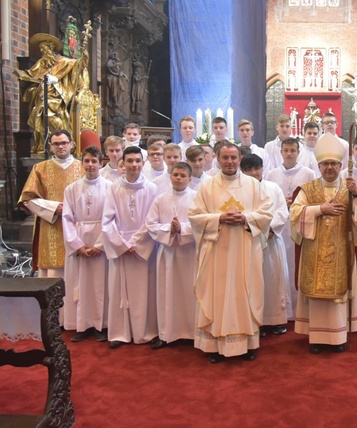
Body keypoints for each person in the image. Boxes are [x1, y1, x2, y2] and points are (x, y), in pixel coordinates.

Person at [189, 142, 273, 363]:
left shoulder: (253, 185)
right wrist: (219, 218)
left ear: (239, 159)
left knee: (246, 293)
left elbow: (266, 212)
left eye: (233, 158)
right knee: (218, 294)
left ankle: (248, 343)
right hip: (217, 251)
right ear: (217, 159)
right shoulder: (207, 187)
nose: (229, 162)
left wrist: (246, 218)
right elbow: (195, 216)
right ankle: (214, 344)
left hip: (246, 250)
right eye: (225, 158)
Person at [290, 133, 357, 353]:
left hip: (340, 252)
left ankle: (338, 338)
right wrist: (319, 210)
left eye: (334, 164)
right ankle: (316, 339)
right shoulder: (308, 189)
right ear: (318, 165)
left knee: (337, 296)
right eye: (325, 164)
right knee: (317, 296)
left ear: (340, 165)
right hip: (314, 251)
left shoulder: (351, 188)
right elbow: (295, 215)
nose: (329, 168)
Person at [100, 146, 160, 348]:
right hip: (120, 247)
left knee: (145, 290)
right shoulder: (113, 189)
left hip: (143, 246)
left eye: (137, 161)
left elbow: (152, 221)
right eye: (130, 161)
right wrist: (121, 245)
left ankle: (146, 331)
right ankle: (119, 333)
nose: (134, 165)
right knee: (118, 290)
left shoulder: (152, 189)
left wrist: (135, 243)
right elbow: (107, 220)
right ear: (123, 163)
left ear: (143, 164)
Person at [18, 130, 84, 281]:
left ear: (71, 144)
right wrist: (54, 208)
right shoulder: (40, 168)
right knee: (52, 274)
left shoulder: (83, 167)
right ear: (50, 146)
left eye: (64, 143)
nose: (60, 147)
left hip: (77, 225)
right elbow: (27, 199)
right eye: (56, 144)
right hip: (51, 225)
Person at [146, 162, 197, 349]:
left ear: (190, 179)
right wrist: (169, 228)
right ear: (170, 177)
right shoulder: (161, 199)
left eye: (183, 175)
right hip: (167, 253)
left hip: (189, 253)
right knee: (166, 292)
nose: (178, 178)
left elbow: (202, 225)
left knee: (189, 292)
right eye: (175, 174)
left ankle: (192, 332)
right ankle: (167, 333)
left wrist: (182, 229)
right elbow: (150, 225)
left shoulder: (197, 198)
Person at [15, 32, 91, 155]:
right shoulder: (41, 63)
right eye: (41, 50)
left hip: (57, 99)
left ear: (51, 48)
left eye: (44, 49)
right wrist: (28, 81)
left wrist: (84, 57)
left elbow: (78, 66)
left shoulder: (63, 61)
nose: (42, 52)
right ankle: (43, 145)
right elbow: (32, 76)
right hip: (41, 97)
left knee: (48, 112)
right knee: (39, 113)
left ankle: (63, 142)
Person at [62, 145, 109, 341]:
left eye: (94, 161)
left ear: (100, 163)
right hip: (79, 239)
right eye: (87, 161)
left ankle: (101, 325)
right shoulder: (72, 189)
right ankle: (81, 324)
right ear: (82, 163)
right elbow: (67, 218)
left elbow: (111, 218)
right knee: (79, 283)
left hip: (101, 240)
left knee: (101, 284)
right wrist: (78, 246)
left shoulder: (110, 187)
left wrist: (99, 245)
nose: (90, 165)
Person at [240, 154, 292, 336]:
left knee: (274, 281)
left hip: (271, 240)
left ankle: (276, 320)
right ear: (243, 171)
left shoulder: (273, 187)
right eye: (249, 170)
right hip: (250, 242)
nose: (254, 173)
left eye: (257, 168)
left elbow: (281, 211)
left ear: (263, 168)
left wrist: (268, 230)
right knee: (254, 282)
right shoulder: (240, 190)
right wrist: (257, 231)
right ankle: (256, 321)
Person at [266, 137, 315, 319]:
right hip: (278, 227)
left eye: (292, 150)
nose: (289, 154)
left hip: (299, 224)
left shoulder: (308, 174)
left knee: (298, 264)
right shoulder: (271, 174)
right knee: (280, 266)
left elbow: (313, 197)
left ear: (298, 152)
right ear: (281, 152)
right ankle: (281, 310)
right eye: (286, 150)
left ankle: (299, 309)